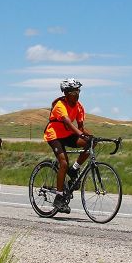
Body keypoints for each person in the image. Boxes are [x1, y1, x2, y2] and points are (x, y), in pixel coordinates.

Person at [43, 78, 93, 213]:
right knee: (63, 163)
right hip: (54, 135)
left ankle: (74, 169)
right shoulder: (60, 105)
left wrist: (91, 137)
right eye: (74, 91)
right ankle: (58, 198)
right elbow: (68, 124)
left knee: (90, 144)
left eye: (78, 91)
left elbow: (81, 128)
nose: (77, 94)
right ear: (66, 93)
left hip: (67, 135)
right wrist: (80, 134)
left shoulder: (79, 107)